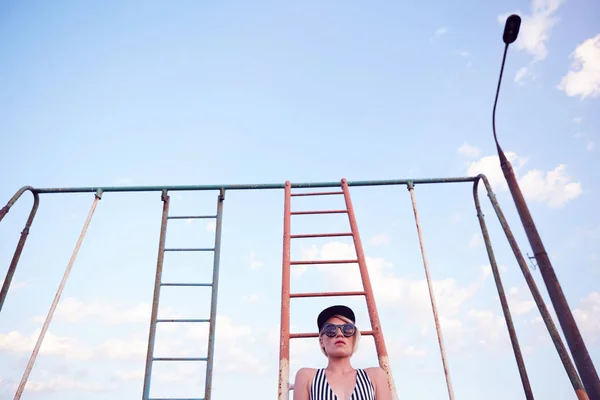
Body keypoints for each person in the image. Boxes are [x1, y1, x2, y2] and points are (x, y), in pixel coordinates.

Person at [292, 305, 392, 400]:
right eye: (330, 330)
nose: (339, 334)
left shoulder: (375, 376)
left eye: (347, 329)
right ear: (321, 341)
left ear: (354, 338)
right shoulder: (307, 377)